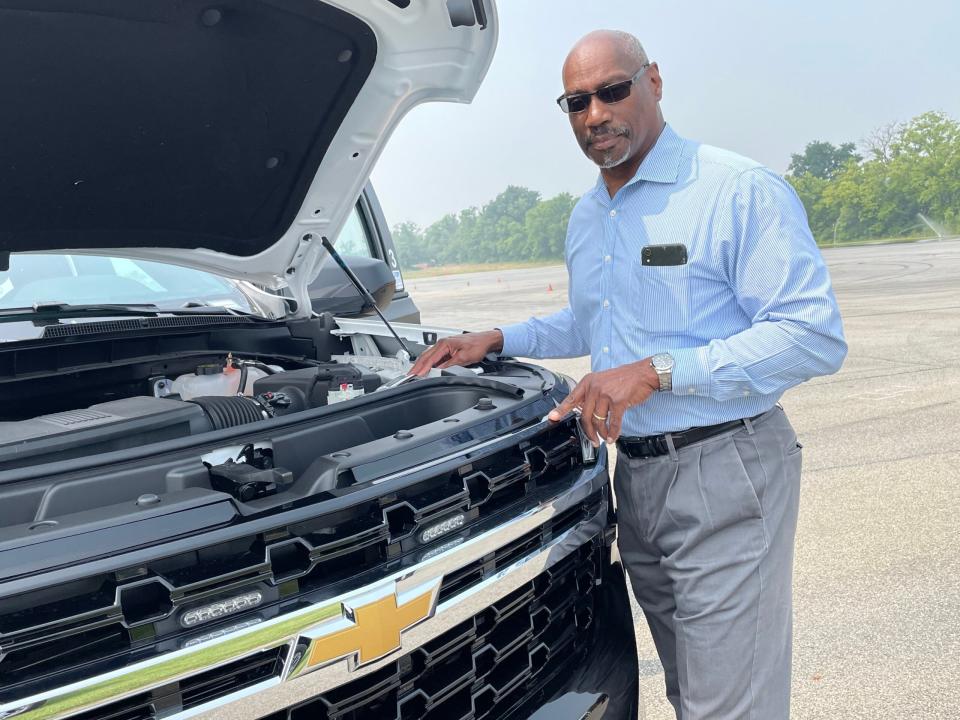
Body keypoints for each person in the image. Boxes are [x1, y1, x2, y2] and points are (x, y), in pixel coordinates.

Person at [411, 29, 847, 719]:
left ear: (654, 82)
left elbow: (812, 336)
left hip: (725, 468)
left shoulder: (733, 190)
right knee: (690, 690)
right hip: (635, 481)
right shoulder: (589, 216)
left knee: (729, 709)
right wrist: (498, 338)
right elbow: (595, 325)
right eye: (576, 101)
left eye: (613, 90)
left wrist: (659, 372)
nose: (595, 114)